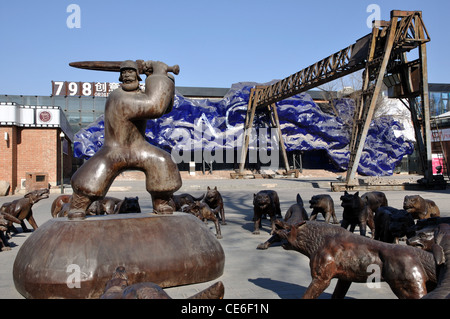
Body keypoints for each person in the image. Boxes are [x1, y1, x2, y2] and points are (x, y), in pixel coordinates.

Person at [68, 60, 181, 219]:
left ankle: (161, 202)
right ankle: (79, 204)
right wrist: (158, 74)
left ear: (138, 75)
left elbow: (165, 107)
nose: (127, 75)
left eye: (131, 72)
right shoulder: (118, 97)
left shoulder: (141, 95)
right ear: (120, 77)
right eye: (124, 73)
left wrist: (165, 77)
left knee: (162, 160)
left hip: (138, 147)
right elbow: (155, 106)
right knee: (93, 175)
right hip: (115, 150)